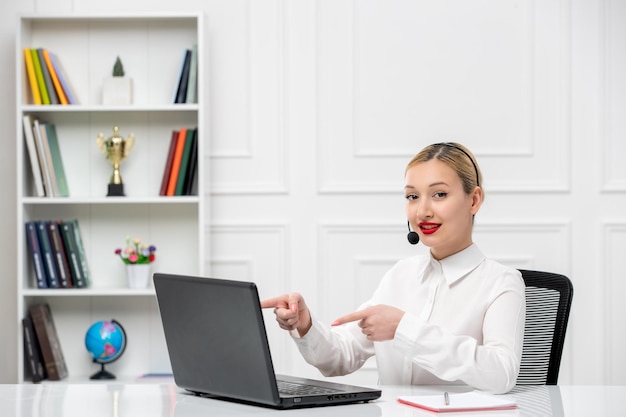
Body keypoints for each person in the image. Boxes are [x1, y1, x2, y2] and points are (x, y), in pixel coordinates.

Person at [261, 142, 526, 394]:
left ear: (474, 200)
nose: (422, 211)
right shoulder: (401, 275)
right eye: (412, 196)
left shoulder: (501, 282)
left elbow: (501, 373)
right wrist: (305, 324)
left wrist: (404, 328)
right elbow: (339, 358)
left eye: (439, 194)